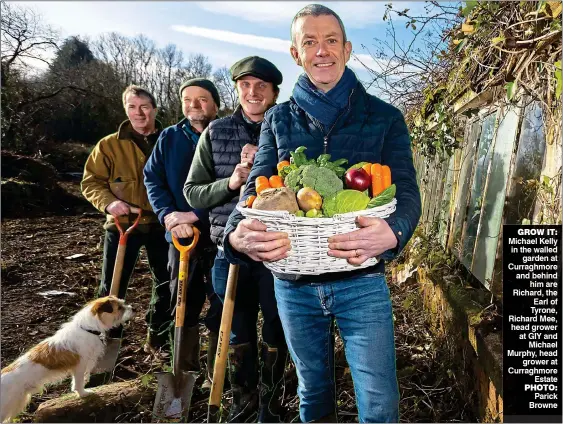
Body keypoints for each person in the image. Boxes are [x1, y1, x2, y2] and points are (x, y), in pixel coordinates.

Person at [223, 5, 422, 423]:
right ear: (295, 54)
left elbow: (407, 195)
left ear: (347, 48)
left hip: (361, 281)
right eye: (309, 42)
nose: (322, 51)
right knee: (313, 393)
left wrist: (395, 232)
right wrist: (235, 237)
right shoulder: (277, 120)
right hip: (294, 286)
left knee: (380, 399)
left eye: (331, 40)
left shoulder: (385, 118)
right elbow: (258, 188)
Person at [184, 57, 288, 423]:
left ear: (274, 92)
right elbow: (193, 194)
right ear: (237, 89)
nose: (253, 92)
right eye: (246, 84)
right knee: (236, 329)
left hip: (278, 252)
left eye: (262, 85)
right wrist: (231, 182)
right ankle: (242, 404)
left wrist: (270, 167)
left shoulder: (290, 129)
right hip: (228, 254)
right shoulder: (216, 132)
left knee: (276, 330)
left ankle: (272, 407)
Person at [143, 78, 224, 390]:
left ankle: (216, 371)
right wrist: (169, 217)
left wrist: (197, 215)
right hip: (181, 237)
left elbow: (236, 186)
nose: (194, 105)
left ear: (215, 104)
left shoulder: (227, 135)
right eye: (188, 100)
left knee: (221, 299)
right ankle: (184, 372)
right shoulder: (169, 138)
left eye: (202, 99)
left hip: (219, 234)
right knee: (183, 298)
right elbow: (153, 178)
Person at [81, 85, 172, 356]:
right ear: (125, 110)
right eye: (132, 107)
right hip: (122, 225)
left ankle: (158, 338)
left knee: (167, 283)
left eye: (144, 106)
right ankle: (106, 344)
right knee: (112, 287)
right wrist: (109, 203)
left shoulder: (169, 140)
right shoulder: (109, 145)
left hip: (160, 224)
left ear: (155, 109)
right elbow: (91, 182)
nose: (139, 113)